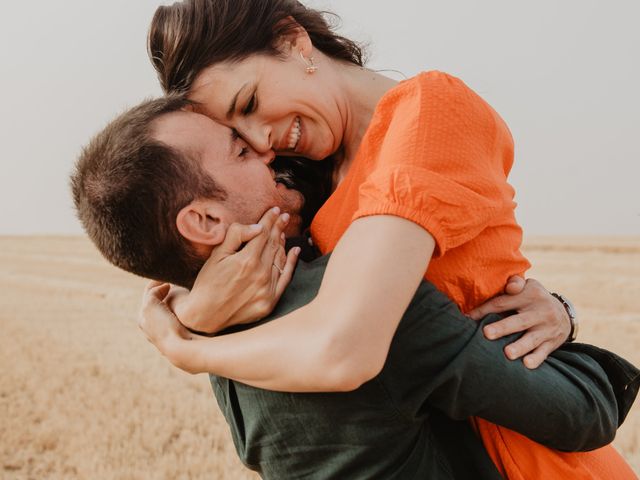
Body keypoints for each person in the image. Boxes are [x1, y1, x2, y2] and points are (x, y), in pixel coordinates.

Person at [140, 1, 637, 477]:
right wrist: (189, 312)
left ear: (293, 42)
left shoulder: (429, 113)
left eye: (249, 103)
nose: (261, 141)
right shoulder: (308, 175)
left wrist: (189, 351)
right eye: (240, 137)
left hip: (520, 451)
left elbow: (349, 347)